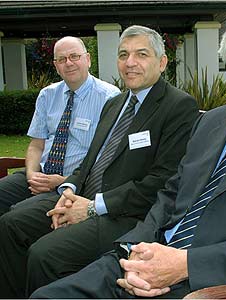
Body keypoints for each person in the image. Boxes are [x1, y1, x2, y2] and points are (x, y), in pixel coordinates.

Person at [31, 10, 226, 299]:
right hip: (144, 258)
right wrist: (133, 250)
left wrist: (185, 265)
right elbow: (171, 193)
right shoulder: (212, 121)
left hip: (207, 283)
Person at [0, 25, 199, 298]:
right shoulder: (115, 104)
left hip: (125, 213)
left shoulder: (178, 107)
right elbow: (90, 162)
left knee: (43, 254)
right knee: (11, 225)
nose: (130, 63)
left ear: (162, 62)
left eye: (141, 54)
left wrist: (93, 207)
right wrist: (67, 191)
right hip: (81, 195)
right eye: (123, 55)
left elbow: (162, 182)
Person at [0, 36, 120, 215]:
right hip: (41, 174)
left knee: (16, 216)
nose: (68, 63)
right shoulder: (47, 95)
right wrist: (32, 175)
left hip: (75, 184)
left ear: (87, 59)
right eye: (61, 59)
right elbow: (36, 144)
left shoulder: (109, 98)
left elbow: (108, 157)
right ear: (56, 66)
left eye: (74, 56)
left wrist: (62, 180)